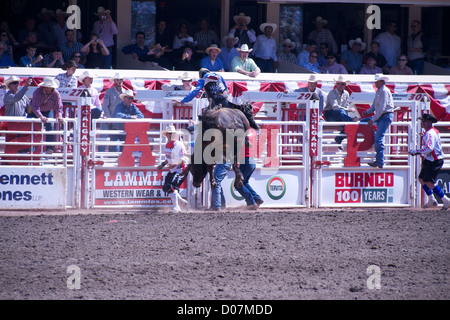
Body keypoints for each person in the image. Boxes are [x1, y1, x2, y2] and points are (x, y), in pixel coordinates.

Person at [180, 68, 259, 130]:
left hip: (215, 103)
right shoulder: (219, 76)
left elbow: (195, 92)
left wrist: (184, 100)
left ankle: (195, 127)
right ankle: (252, 125)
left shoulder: (202, 79)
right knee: (242, 109)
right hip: (226, 100)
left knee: (205, 116)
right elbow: (226, 88)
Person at [409, 113, 450, 209]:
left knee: (429, 182)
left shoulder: (429, 133)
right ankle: (431, 199)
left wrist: (415, 152)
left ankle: (445, 200)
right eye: (422, 121)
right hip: (430, 159)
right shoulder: (432, 132)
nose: (422, 123)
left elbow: (429, 148)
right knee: (421, 179)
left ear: (429, 122)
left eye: (424, 121)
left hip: (434, 160)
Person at [360, 74, 394, 169]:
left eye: (377, 81)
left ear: (382, 82)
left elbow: (381, 108)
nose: (375, 83)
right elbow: (375, 106)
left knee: (379, 138)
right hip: (383, 115)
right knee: (365, 123)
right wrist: (367, 112)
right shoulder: (380, 91)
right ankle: (379, 159)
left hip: (385, 115)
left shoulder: (384, 91)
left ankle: (379, 161)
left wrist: (372, 118)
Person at [157, 124, 189, 213]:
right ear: (166, 134)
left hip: (181, 170)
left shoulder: (178, 145)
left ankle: (176, 207)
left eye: (172, 133)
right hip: (173, 170)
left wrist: (174, 164)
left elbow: (184, 159)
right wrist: (162, 164)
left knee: (170, 186)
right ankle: (181, 202)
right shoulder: (167, 145)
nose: (170, 135)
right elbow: (169, 158)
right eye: (169, 133)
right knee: (167, 187)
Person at [30, 77, 64, 154]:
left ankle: (50, 148)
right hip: (35, 112)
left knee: (50, 127)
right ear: (44, 87)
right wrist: (40, 116)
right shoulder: (37, 92)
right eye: (48, 87)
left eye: (51, 87)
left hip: (48, 111)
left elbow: (59, 106)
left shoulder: (56, 93)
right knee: (33, 128)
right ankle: (31, 147)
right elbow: (35, 107)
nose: (49, 89)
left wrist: (59, 116)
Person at [234, 128, 263, 210]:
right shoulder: (253, 131)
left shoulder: (242, 131)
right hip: (251, 161)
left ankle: (251, 202)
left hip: (245, 161)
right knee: (244, 182)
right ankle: (257, 198)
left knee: (238, 184)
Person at [324, 75, 356, 149]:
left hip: (340, 115)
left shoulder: (346, 94)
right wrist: (348, 111)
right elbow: (335, 107)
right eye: (338, 83)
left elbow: (346, 106)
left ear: (345, 85)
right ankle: (351, 122)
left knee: (348, 126)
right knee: (344, 115)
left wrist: (346, 111)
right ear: (336, 84)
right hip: (330, 114)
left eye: (342, 84)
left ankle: (339, 139)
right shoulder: (332, 93)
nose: (340, 85)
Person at [99, 72, 126, 152]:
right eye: (118, 80)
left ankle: (116, 157)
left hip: (119, 120)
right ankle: (100, 156)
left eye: (121, 80)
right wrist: (108, 118)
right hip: (108, 118)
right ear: (114, 81)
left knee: (118, 139)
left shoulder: (125, 92)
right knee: (103, 137)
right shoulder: (109, 92)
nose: (119, 81)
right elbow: (105, 106)